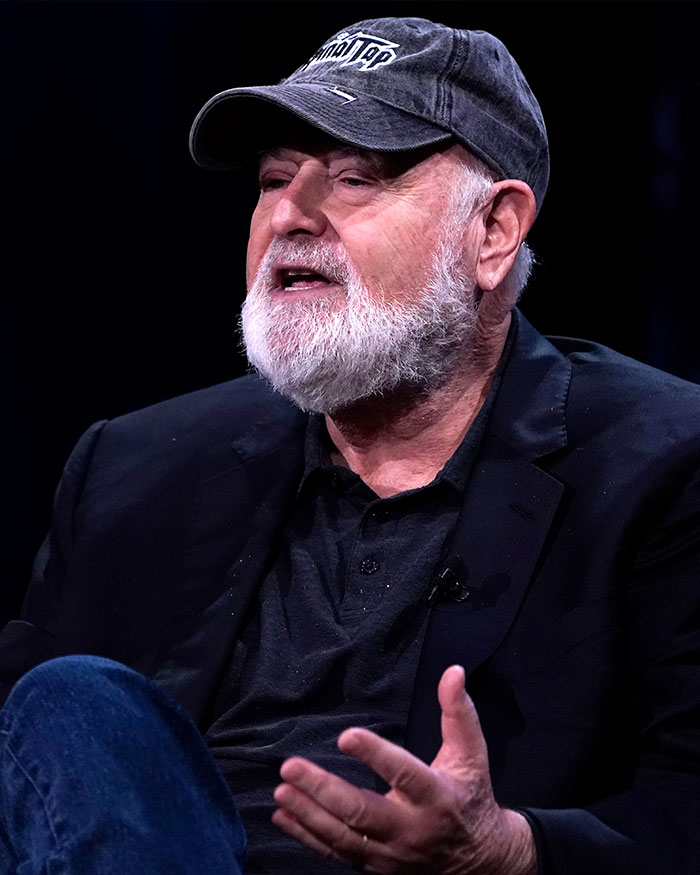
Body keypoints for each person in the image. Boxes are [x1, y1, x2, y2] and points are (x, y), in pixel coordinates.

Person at [1, 15, 700, 875]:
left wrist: (505, 851)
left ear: (494, 233)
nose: (291, 216)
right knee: (73, 704)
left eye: (356, 178)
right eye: (272, 180)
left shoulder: (663, 466)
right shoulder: (137, 468)